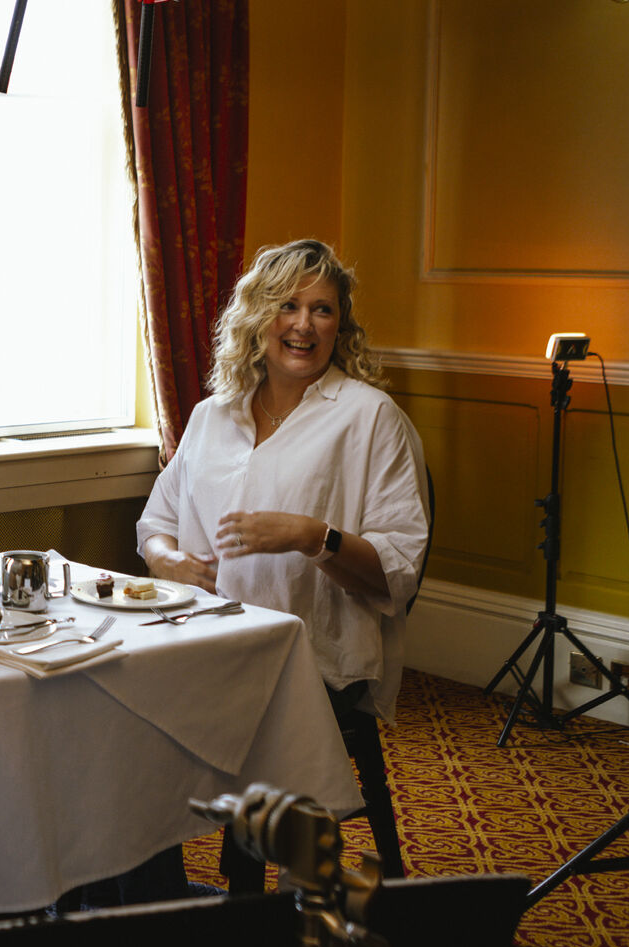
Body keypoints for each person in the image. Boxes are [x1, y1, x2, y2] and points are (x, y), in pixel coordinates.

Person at [137, 238, 430, 722]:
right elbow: (155, 524)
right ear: (256, 318)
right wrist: (169, 561)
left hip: (308, 657)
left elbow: (398, 569)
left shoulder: (370, 417)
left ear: (340, 327)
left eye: (322, 310)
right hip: (197, 638)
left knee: (168, 716)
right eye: (287, 306)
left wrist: (311, 536)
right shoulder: (211, 414)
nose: (303, 324)